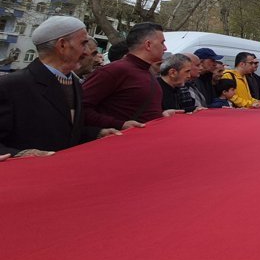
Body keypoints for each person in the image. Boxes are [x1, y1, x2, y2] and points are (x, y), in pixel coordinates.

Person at [0, 16, 119, 158]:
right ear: (62, 45)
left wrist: (98, 133)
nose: (87, 52)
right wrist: (20, 155)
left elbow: (66, 131)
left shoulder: (74, 83)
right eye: (84, 43)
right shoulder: (10, 86)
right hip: (27, 176)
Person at [84, 22, 169, 130]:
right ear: (148, 45)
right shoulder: (114, 70)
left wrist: (161, 115)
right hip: (118, 143)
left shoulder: (147, 72)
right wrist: (119, 124)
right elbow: (80, 108)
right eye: (162, 43)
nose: (165, 48)